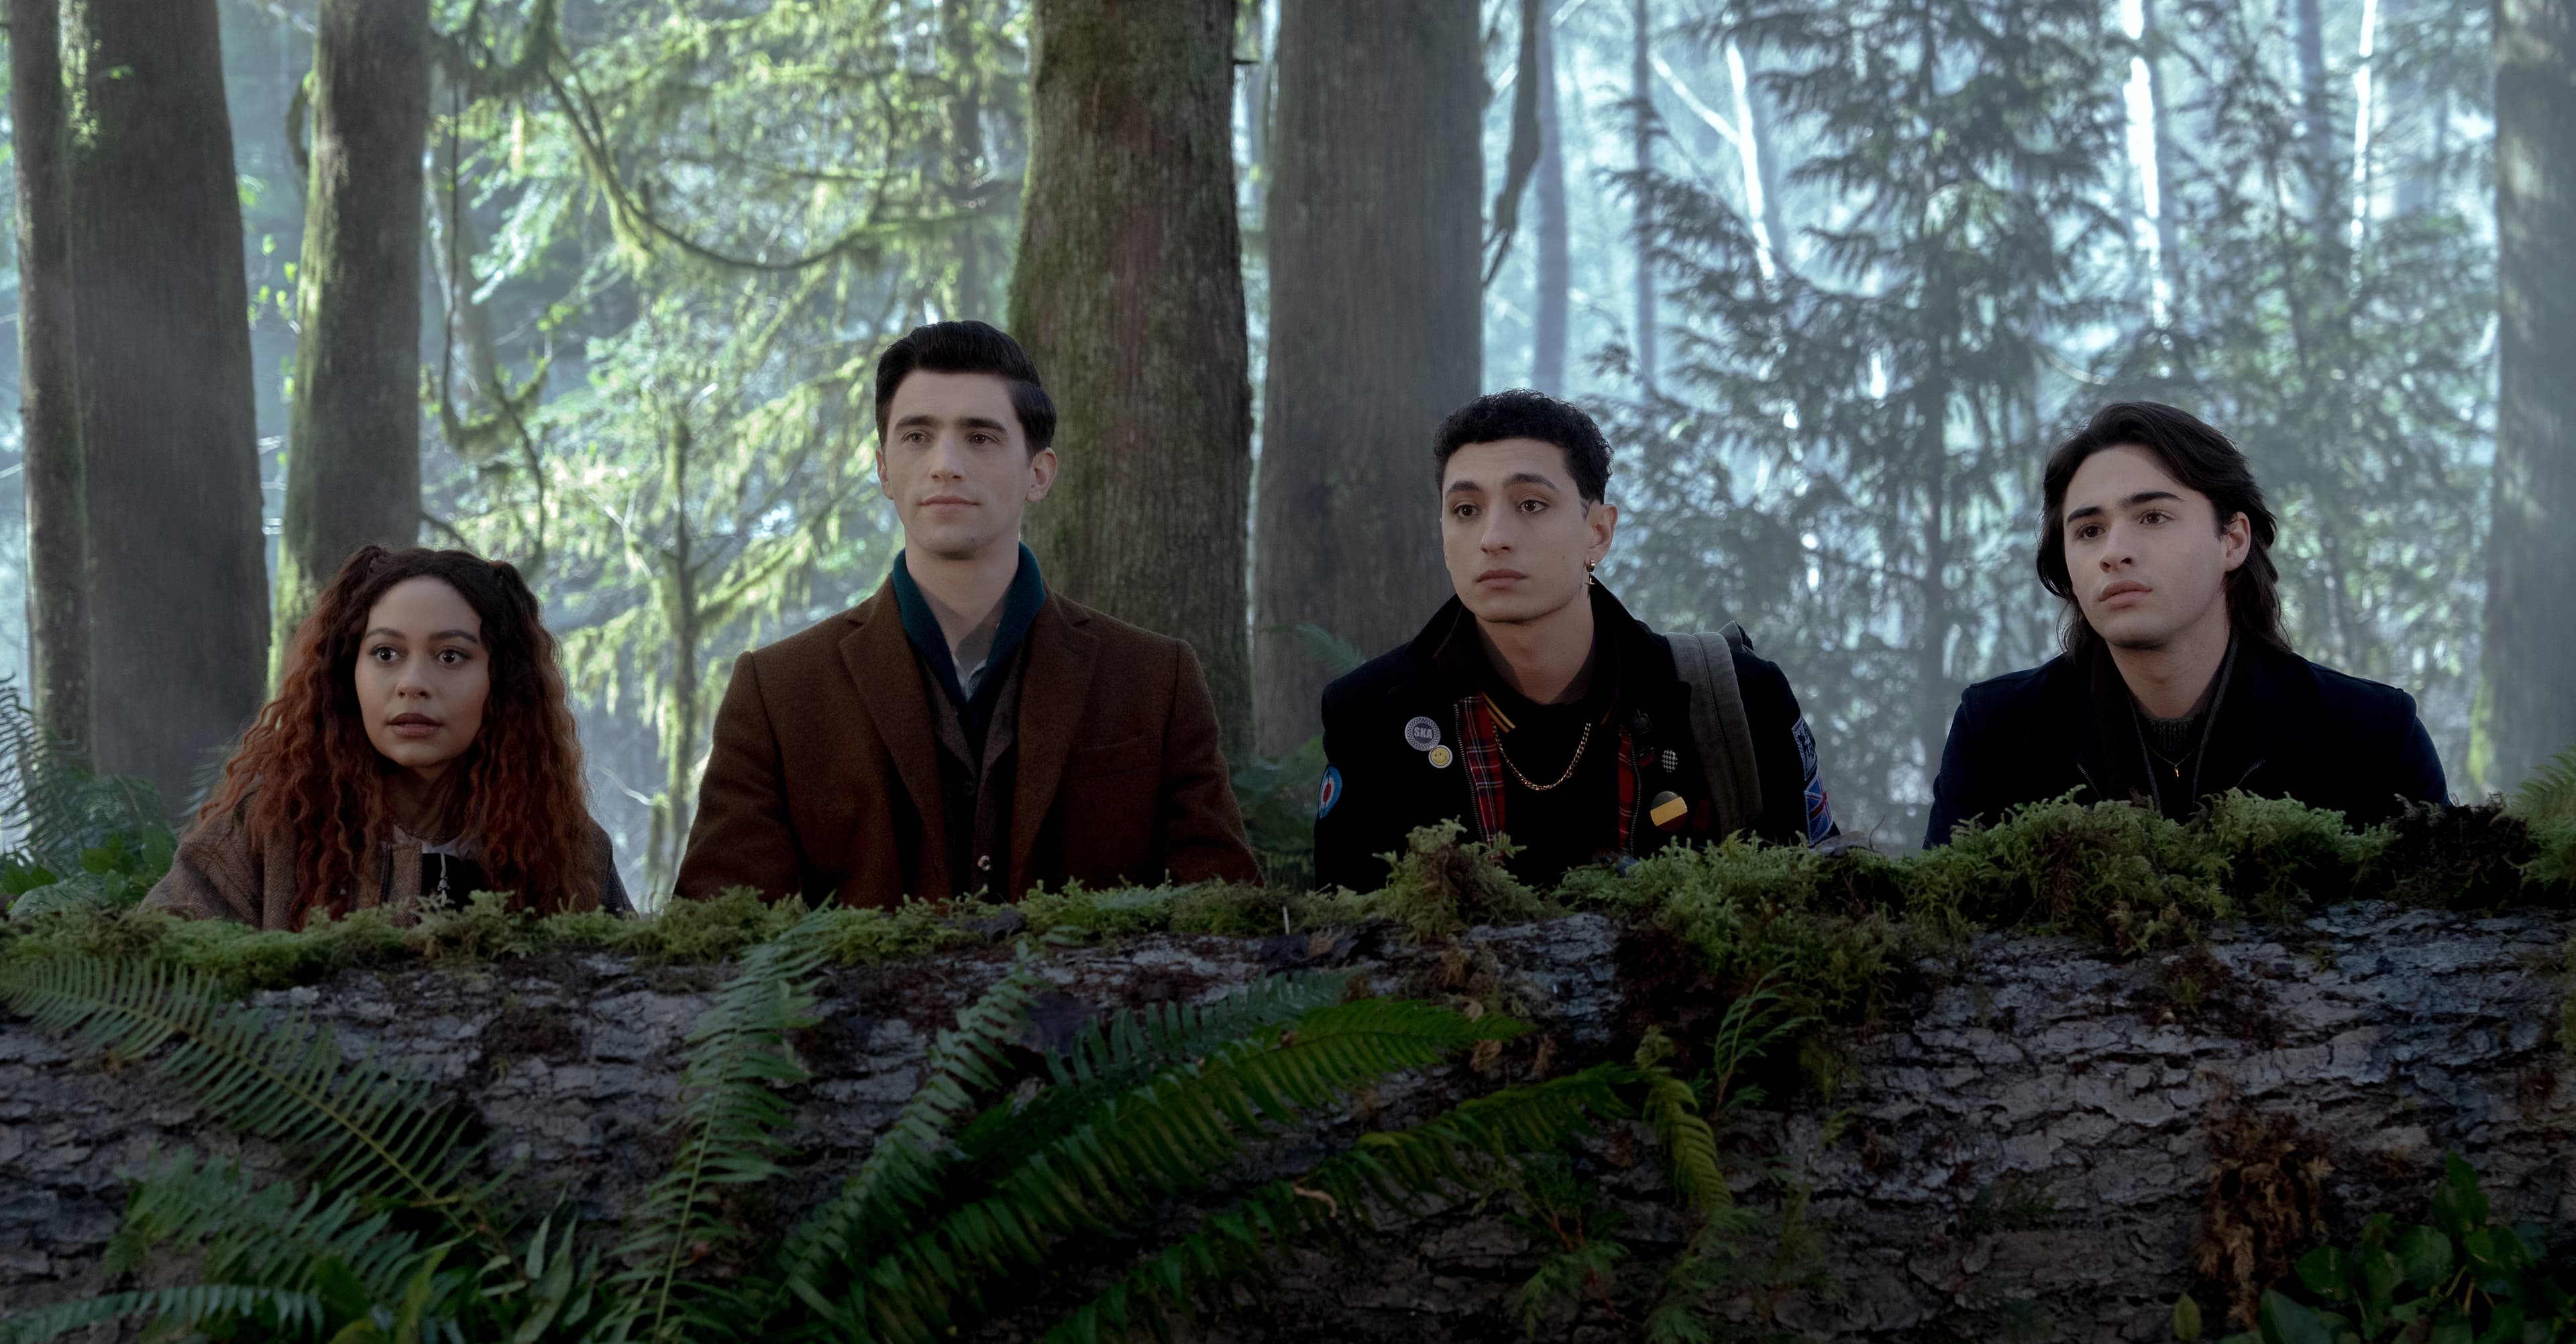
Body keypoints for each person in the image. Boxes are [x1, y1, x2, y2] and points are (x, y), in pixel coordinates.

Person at [676, 320, 1257, 908]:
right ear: (883, 469)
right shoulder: (778, 694)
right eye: (917, 436)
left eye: (980, 437)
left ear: (1038, 474)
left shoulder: (1155, 681)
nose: (945, 464)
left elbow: (1228, 921)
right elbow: (718, 934)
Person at [1314, 391, 1837, 891]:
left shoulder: (1737, 698)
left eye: (1531, 504)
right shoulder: (1371, 717)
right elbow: (1345, 934)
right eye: (1466, 510)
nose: (1493, 538)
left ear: (1599, 533)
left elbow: (1830, 902)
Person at [1924, 400, 2446, 847]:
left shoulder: (2374, 737)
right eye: (2089, 530)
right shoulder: (1997, 736)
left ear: (2233, 540)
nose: (2114, 552)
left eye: (2153, 517)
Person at [147, 546, 632, 928]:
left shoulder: (566, 847)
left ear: (503, 681)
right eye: (385, 654)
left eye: (450, 656)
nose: (412, 683)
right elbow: (144, 979)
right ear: (347, 674)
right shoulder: (266, 830)